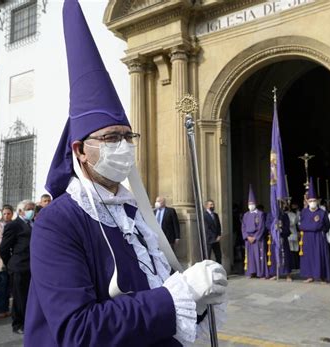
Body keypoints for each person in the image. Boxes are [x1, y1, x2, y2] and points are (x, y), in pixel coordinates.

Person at [24, 1, 227, 345]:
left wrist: (198, 298)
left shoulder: (133, 211)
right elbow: (79, 330)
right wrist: (178, 296)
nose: (124, 146)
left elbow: (152, 288)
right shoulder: (57, 222)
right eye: (111, 138)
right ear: (80, 151)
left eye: (127, 136)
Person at [0, 200, 35, 334]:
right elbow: (4, 248)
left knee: (28, 297)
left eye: (32, 208)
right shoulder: (14, 225)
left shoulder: (33, 224)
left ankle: (29, 322)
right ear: (20, 211)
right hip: (19, 266)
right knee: (19, 297)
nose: (31, 211)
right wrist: (10, 263)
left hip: (31, 267)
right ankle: (18, 324)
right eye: (28, 209)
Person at [299, 179, 330, 283]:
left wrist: (319, 229)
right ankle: (309, 275)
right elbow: (301, 225)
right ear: (307, 201)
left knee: (320, 256)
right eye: (310, 201)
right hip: (307, 238)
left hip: (318, 238)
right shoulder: (304, 212)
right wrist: (314, 227)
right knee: (308, 256)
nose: (312, 202)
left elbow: (327, 225)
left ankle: (321, 276)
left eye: (314, 200)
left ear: (317, 201)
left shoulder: (322, 212)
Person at [241, 185, 268, 278]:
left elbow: (262, 227)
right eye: (249, 203)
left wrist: (255, 237)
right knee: (250, 257)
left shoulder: (260, 214)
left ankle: (260, 272)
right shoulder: (246, 215)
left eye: (252, 203)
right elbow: (243, 227)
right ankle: (251, 272)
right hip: (248, 239)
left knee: (258, 255)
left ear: (255, 204)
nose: (250, 205)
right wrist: (247, 237)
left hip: (257, 238)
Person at [0, 205, 14, 318]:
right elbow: (0, 241)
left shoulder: (15, 225)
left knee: (9, 285)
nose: (6, 215)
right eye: (4, 213)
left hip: (12, 258)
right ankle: (0, 309)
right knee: (3, 283)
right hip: (2, 258)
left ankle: (6, 308)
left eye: (8, 213)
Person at [267, 203, 292, 281]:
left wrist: (281, 229)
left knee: (285, 256)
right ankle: (274, 273)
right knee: (274, 256)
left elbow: (287, 227)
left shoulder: (284, 215)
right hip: (274, 238)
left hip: (282, 239)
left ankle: (288, 274)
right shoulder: (270, 215)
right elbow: (267, 225)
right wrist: (273, 228)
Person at [203, 199, 222, 264]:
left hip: (216, 239)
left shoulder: (215, 215)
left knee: (219, 256)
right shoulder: (204, 215)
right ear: (207, 206)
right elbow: (206, 228)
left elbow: (219, 226)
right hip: (209, 239)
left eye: (213, 204)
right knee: (207, 257)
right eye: (211, 204)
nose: (213, 206)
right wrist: (214, 237)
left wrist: (219, 235)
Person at [287, 203, 300, 269]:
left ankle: (296, 265)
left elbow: (295, 222)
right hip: (289, 234)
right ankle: (293, 265)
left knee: (295, 250)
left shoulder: (292, 214)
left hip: (293, 233)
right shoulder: (286, 214)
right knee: (291, 250)